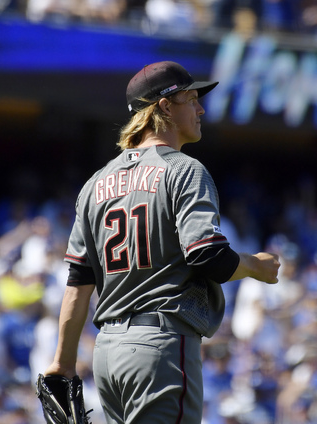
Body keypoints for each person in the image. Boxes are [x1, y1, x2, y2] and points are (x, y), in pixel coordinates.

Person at [42, 61, 281, 424]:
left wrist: (62, 362)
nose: (200, 109)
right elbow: (208, 255)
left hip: (108, 353)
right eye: (191, 99)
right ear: (165, 107)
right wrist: (255, 266)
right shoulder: (184, 169)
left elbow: (78, 281)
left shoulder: (94, 184)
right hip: (160, 346)